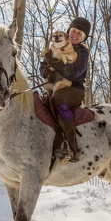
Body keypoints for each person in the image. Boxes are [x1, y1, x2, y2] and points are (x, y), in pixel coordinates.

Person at [40, 17, 91, 162]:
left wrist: (53, 63)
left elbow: (74, 72)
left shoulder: (82, 52)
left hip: (74, 89)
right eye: (74, 31)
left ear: (83, 37)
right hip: (54, 85)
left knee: (59, 99)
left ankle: (72, 148)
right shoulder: (56, 45)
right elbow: (42, 66)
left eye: (79, 34)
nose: (75, 35)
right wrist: (46, 72)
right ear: (69, 31)